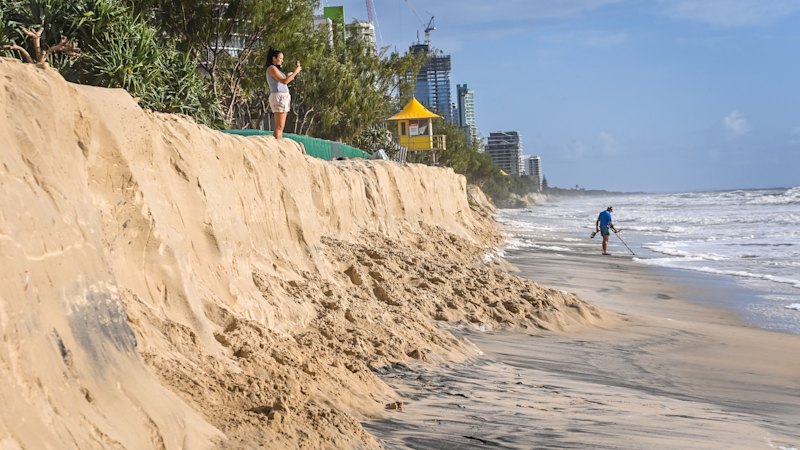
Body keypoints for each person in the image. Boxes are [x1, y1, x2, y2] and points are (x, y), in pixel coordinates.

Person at [266, 48, 302, 139]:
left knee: (280, 126)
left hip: (283, 97)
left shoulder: (277, 70)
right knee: (279, 126)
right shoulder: (271, 68)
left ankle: (279, 141)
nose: (282, 61)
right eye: (280, 58)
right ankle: (277, 144)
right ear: (274, 58)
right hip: (279, 97)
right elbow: (284, 81)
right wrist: (295, 72)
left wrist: (291, 75)